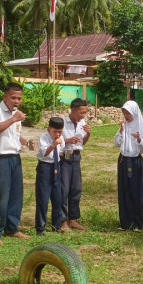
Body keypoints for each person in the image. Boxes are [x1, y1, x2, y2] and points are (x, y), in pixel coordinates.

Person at [0, 82, 30, 245]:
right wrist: (13, 119)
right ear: (5, 96)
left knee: (16, 195)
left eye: (19, 98)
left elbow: (14, 135)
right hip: (0, 158)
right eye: (13, 97)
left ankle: (12, 228)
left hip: (14, 157)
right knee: (1, 196)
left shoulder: (16, 114)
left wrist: (25, 141)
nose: (16, 101)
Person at [114, 100, 143, 231]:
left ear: (134, 112)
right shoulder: (124, 125)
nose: (126, 116)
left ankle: (137, 222)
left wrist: (139, 139)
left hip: (135, 161)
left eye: (128, 113)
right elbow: (117, 143)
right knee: (124, 190)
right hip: (123, 160)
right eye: (124, 113)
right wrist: (121, 131)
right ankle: (125, 221)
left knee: (136, 191)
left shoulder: (140, 126)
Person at [60, 98, 91, 232]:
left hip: (76, 157)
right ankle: (62, 221)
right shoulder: (62, 123)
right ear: (73, 110)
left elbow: (83, 143)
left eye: (85, 112)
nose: (83, 115)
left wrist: (88, 133)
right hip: (65, 157)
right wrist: (68, 140)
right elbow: (55, 139)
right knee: (64, 190)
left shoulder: (82, 123)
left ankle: (73, 219)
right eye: (81, 112)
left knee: (76, 189)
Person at [35, 117, 65, 236]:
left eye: (60, 132)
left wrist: (65, 152)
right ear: (49, 129)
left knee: (57, 197)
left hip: (56, 166)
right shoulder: (43, 138)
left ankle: (56, 225)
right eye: (55, 132)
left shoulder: (60, 138)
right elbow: (45, 152)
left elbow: (60, 152)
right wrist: (54, 144)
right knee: (43, 198)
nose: (57, 134)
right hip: (45, 167)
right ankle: (40, 227)